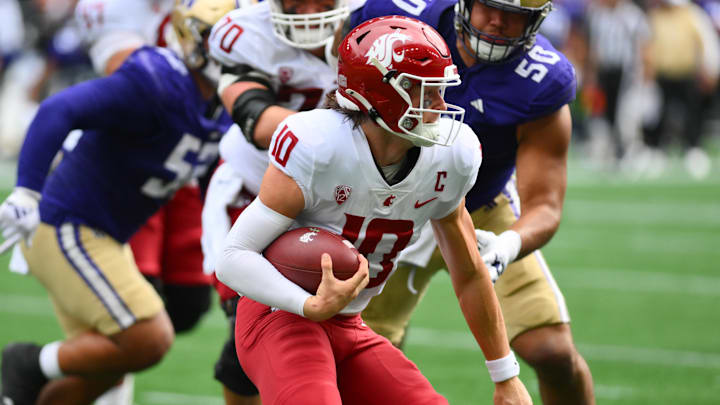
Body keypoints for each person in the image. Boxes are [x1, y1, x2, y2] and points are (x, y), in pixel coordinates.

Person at [216, 15, 532, 405]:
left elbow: (468, 272)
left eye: (440, 91)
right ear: (377, 94)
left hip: (349, 322)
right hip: (278, 315)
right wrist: (306, 304)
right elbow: (231, 258)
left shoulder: (451, 158)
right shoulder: (318, 146)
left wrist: (505, 375)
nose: (440, 106)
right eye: (423, 92)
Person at [349, 1, 596, 404]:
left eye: (514, 13)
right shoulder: (397, 16)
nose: (498, 21)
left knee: (552, 351)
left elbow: (545, 205)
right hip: (388, 203)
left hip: (481, 207)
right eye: (488, 6)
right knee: (364, 356)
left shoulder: (542, 78)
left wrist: (507, 245)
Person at [0, 4, 232, 404]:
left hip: (104, 234)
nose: (234, 53)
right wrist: (26, 191)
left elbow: (218, 178)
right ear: (193, 39)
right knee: (150, 336)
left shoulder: (220, 104)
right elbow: (59, 108)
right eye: (222, 41)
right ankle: (28, 363)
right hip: (68, 222)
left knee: (105, 370)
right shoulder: (158, 81)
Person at [201, 1, 357, 403]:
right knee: (258, 319)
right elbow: (258, 121)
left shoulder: (376, 17)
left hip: (342, 193)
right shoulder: (241, 32)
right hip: (255, 185)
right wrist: (352, 136)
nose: (307, 11)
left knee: (351, 325)